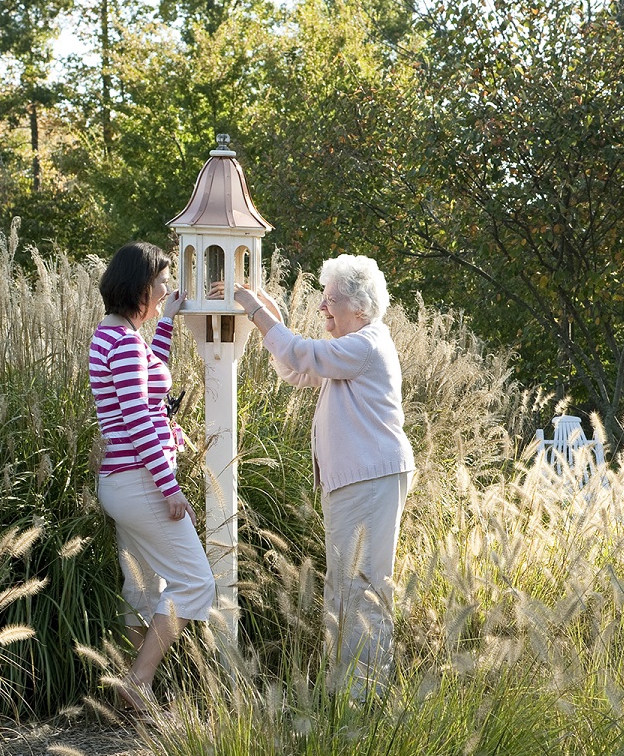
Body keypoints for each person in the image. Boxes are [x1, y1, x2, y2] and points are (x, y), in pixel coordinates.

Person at [235, 256, 415, 694]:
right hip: (356, 482)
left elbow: (304, 354)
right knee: (344, 588)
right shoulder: (351, 349)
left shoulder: (366, 345)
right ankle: (348, 690)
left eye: (330, 299)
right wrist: (270, 321)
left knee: (362, 590)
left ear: (359, 305)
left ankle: (362, 696)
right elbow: (300, 369)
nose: (322, 308)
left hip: (369, 481)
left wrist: (257, 314)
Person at [89, 242, 216, 712]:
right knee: (196, 583)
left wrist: (165, 324)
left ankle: (128, 691)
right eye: (161, 282)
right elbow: (141, 418)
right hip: (140, 479)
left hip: (124, 480)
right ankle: (138, 684)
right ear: (139, 285)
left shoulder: (117, 336)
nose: (166, 289)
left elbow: (149, 377)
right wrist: (170, 486)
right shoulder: (122, 343)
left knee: (145, 589)